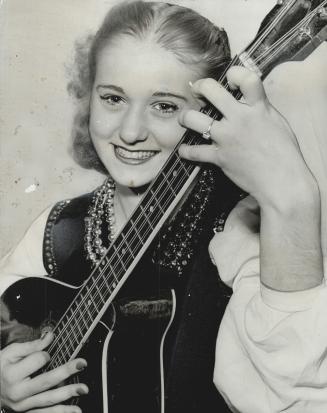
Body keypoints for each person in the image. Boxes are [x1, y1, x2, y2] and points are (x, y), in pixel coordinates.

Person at [0, 1, 323, 413]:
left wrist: (291, 199)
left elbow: (295, 393)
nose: (131, 131)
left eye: (165, 106)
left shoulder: (238, 233)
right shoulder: (59, 225)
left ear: (212, 115)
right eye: (113, 98)